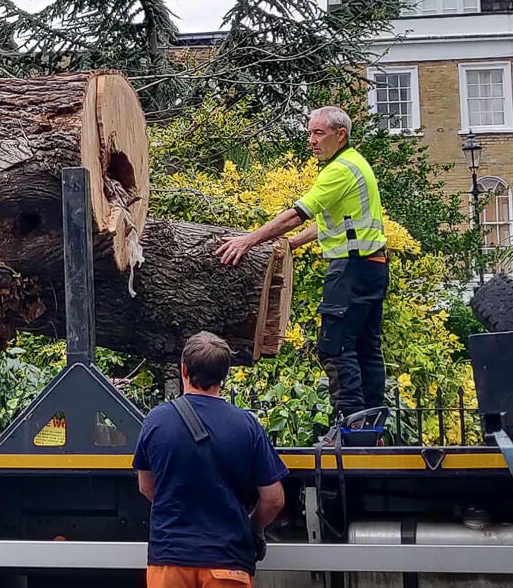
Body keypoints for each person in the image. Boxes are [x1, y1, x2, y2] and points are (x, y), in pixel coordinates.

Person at [214, 105, 389, 444]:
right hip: (371, 267)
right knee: (365, 348)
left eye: (318, 133)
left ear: (341, 134)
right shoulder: (354, 165)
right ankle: (372, 430)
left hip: (351, 271)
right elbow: (328, 225)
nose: (311, 140)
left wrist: (248, 241)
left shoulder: (339, 170)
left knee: (335, 348)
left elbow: (298, 214)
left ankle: (352, 430)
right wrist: (288, 248)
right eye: (309, 133)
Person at [134, 331, 287, 587]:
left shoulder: (156, 421)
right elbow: (274, 499)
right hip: (227, 562)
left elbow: (146, 487)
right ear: (224, 376)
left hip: (170, 562)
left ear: (183, 369)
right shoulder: (246, 425)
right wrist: (251, 525)